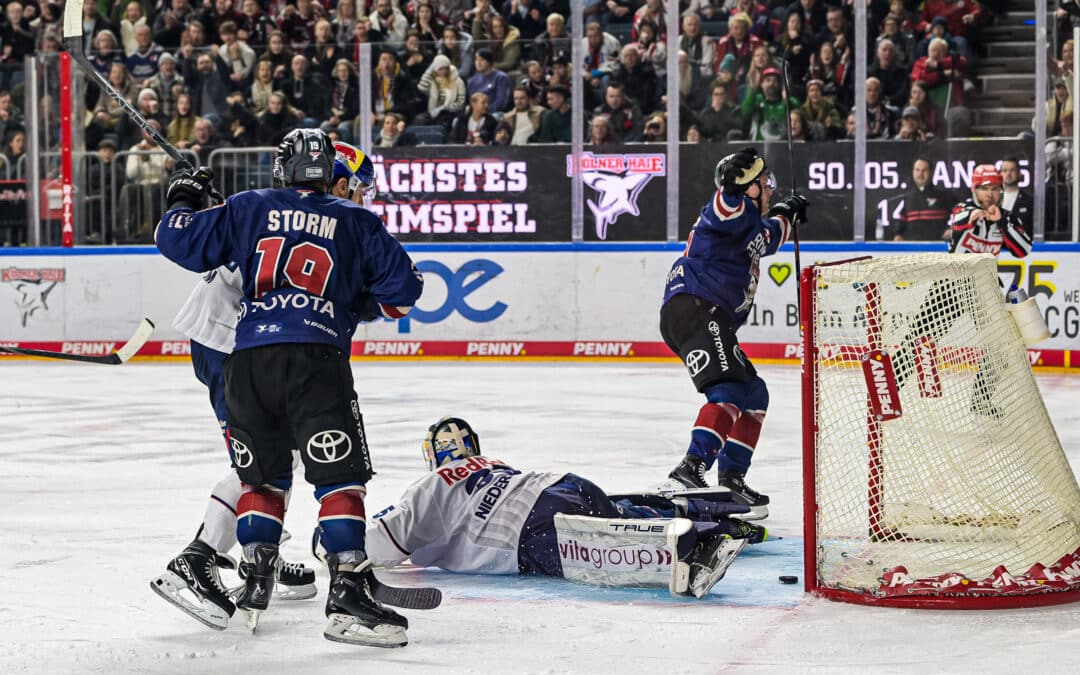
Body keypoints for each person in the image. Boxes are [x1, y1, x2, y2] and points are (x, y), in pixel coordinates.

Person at [154, 129, 424, 647]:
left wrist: (190, 200)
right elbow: (397, 292)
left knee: (268, 464)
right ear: (334, 177)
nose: (363, 197)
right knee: (300, 463)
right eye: (358, 186)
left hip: (246, 350)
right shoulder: (349, 221)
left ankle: (261, 562)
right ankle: (201, 557)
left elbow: (188, 237)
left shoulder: (254, 204)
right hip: (234, 341)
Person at [329, 417, 770, 599]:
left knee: (606, 549)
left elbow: (378, 546)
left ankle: (698, 543)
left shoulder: (429, 486)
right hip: (562, 483)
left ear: (434, 454)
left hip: (525, 531)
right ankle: (708, 514)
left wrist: (330, 539)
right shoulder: (493, 464)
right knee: (614, 512)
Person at [661, 148, 808, 513]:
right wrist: (732, 185)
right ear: (747, 188)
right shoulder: (730, 212)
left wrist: (789, 211)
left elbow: (773, 235)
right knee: (727, 389)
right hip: (695, 308)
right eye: (764, 183)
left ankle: (731, 479)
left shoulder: (753, 226)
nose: (770, 188)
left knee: (754, 394)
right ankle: (690, 468)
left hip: (707, 315)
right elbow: (724, 205)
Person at [890, 165, 1031, 417]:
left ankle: (981, 399)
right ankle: (888, 392)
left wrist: (1002, 222)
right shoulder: (963, 208)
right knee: (918, 338)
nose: (990, 194)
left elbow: (1023, 250)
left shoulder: (1006, 218)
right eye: (985, 189)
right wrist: (979, 215)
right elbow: (958, 222)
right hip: (952, 284)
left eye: (995, 189)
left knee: (999, 344)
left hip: (984, 287)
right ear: (975, 190)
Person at [893, 158, 950, 241]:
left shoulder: (944, 196)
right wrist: (897, 234)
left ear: (931, 172)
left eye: (924, 170)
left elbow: (960, 215)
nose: (920, 174)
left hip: (938, 250)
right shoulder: (908, 197)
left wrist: (952, 230)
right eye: (917, 170)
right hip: (913, 250)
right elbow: (901, 224)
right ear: (913, 172)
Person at [999, 157, 1033, 234]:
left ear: (1019, 173)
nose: (1008, 174)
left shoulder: (1029, 201)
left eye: (1012, 170)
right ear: (1000, 174)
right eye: (1005, 170)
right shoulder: (993, 199)